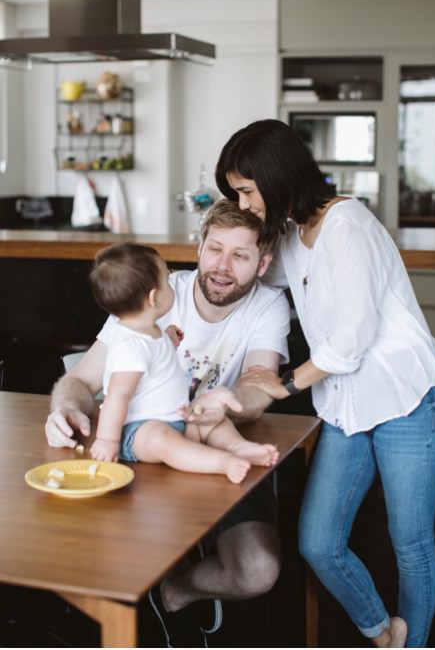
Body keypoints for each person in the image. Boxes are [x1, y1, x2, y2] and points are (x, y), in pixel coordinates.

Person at [217, 119, 435, 649]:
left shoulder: (346, 223)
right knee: (318, 541)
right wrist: (219, 252)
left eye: (247, 190)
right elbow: (261, 275)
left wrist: (281, 382)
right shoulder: (292, 236)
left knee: (411, 544)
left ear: (276, 176)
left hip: (407, 400)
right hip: (347, 408)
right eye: (237, 192)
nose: (245, 201)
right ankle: (382, 632)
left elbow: (352, 338)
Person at [48, 200, 291, 646]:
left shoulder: (269, 307)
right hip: (143, 458)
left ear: (264, 263)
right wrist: (64, 409)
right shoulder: (154, 292)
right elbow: (82, 379)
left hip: (209, 451)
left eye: (240, 255)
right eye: (215, 249)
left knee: (257, 569)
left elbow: (260, 383)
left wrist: (227, 399)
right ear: (198, 247)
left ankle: (176, 592)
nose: (222, 266)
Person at [84, 242, 279, 481]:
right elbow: (117, 395)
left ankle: (239, 447)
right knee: (164, 441)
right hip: (140, 430)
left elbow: (154, 359)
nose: (173, 282)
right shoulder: (130, 346)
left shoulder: (150, 331)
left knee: (214, 420)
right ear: (154, 297)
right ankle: (222, 462)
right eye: (167, 280)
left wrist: (167, 342)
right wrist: (107, 440)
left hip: (176, 417)